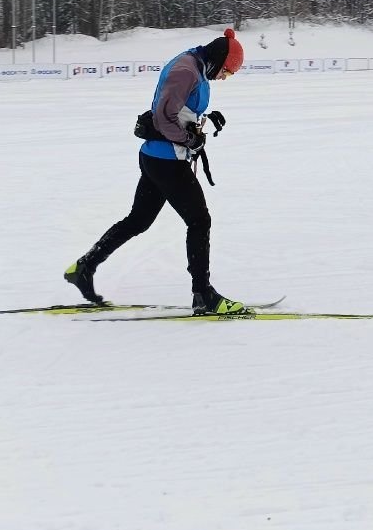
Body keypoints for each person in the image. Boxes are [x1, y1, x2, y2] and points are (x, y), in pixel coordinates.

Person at [64, 28, 247, 315]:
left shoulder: (195, 65)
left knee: (138, 220)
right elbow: (164, 117)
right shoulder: (186, 69)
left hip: (157, 157)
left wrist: (207, 117)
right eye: (227, 71)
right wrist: (191, 140)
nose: (225, 77)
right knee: (199, 221)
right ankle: (204, 295)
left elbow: (180, 107)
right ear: (218, 60)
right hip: (167, 161)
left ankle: (84, 268)